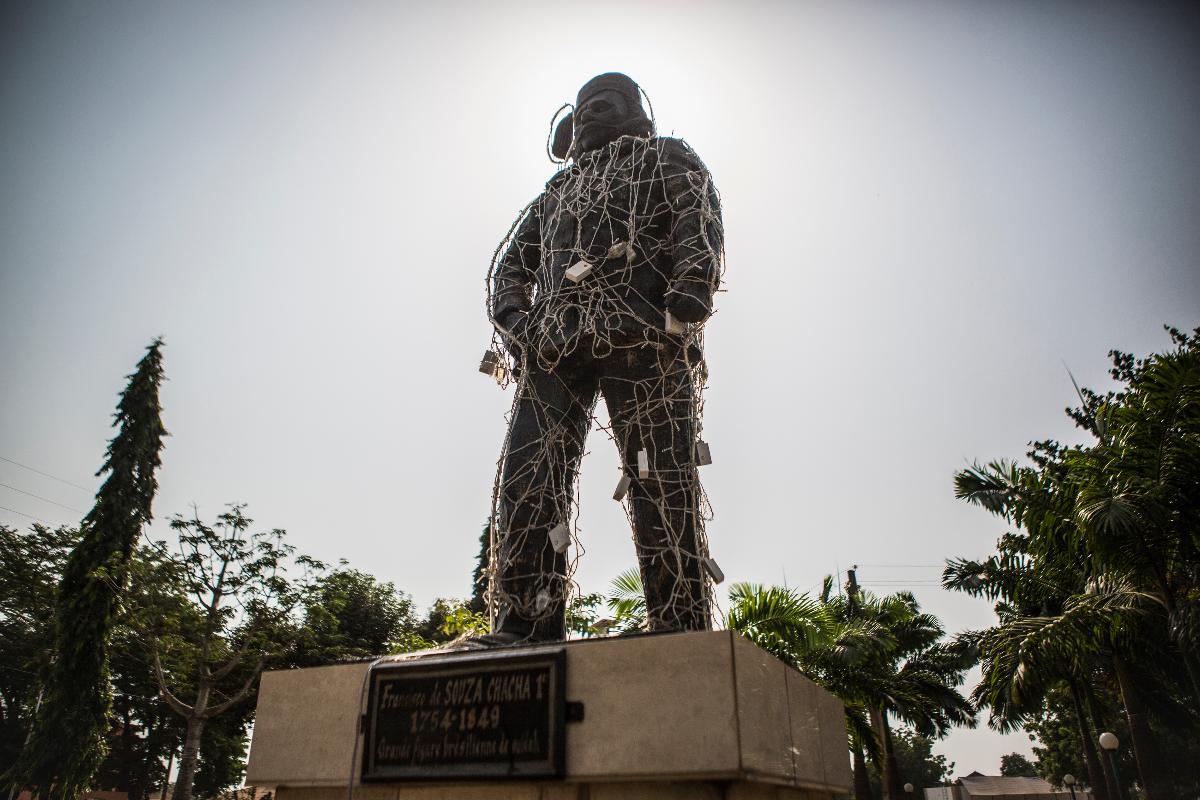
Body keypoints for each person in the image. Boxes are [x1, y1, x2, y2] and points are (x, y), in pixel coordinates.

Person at [483, 72, 724, 643]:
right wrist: (518, 322)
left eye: (606, 103)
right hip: (553, 349)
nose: (592, 113)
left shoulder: (663, 157)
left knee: (660, 478)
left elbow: (697, 215)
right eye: (585, 106)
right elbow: (511, 266)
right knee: (529, 476)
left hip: (642, 334)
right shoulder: (556, 192)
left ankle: (679, 619)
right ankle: (526, 621)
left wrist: (691, 284)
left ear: (635, 113)